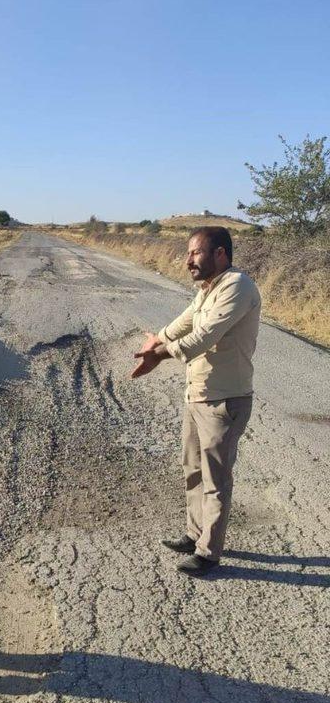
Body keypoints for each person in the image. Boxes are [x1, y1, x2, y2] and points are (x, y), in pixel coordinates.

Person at [131, 226, 261, 577]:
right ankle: (194, 533)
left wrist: (159, 354)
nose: (188, 260)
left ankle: (209, 552)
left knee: (216, 479)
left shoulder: (237, 286)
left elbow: (204, 336)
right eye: (188, 252)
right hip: (198, 394)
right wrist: (158, 338)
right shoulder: (207, 289)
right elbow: (185, 322)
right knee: (192, 469)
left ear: (220, 253)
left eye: (196, 252)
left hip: (224, 400)